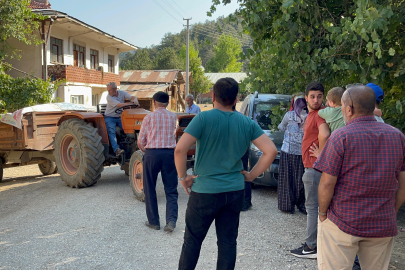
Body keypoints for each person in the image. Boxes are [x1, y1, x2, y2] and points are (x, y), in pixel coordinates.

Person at [175, 78, 278, 270]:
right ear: (236, 98)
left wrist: (183, 178)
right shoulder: (247, 123)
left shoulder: (203, 118)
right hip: (233, 191)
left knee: (192, 242)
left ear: (213, 96)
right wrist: (251, 175)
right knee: (227, 243)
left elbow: (180, 150)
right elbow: (270, 150)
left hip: (204, 191)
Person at [314, 85, 405, 270]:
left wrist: (322, 214)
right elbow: (403, 184)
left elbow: (327, 183)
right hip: (382, 223)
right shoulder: (398, 136)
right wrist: (391, 212)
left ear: (349, 109)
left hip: (342, 220)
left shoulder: (341, 137)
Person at [290, 81, 330, 259]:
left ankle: (311, 247)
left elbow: (325, 134)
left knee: (312, 207)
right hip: (314, 168)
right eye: (312, 96)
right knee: (317, 207)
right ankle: (315, 244)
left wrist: (321, 154)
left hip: (314, 169)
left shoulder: (319, 115)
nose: (316, 100)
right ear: (305, 98)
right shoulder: (314, 114)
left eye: (319, 96)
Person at [137, 91, 179, 232]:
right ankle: (171, 221)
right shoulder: (174, 117)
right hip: (169, 154)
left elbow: (141, 140)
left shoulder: (148, 117)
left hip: (152, 154)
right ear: (167, 103)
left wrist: (146, 152)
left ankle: (154, 222)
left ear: (154, 102)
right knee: (171, 189)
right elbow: (175, 134)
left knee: (149, 188)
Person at [277, 93, 307, 214]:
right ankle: (303, 205)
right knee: (302, 180)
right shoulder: (309, 116)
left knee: (287, 180)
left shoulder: (289, 115)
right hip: (303, 153)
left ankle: (287, 206)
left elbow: (280, 128)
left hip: (288, 152)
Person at [104, 82, 139, 156]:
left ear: (115, 89)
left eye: (109, 90)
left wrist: (135, 99)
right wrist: (132, 103)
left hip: (120, 117)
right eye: (108, 90)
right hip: (110, 117)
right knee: (111, 132)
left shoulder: (122, 93)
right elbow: (120, 105)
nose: (108, 92)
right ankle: (116, 150)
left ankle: (131, 146)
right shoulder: (109, 97)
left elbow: (131, 97)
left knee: (129, 129)